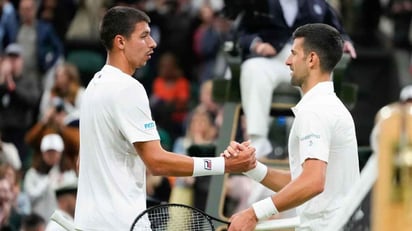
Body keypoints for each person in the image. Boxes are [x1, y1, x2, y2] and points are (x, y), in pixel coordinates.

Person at [74, 6, 256, 231]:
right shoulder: (128, 88)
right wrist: (224, 164)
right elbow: (157, 162)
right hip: (122, 225)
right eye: (144, 36)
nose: (153, 43)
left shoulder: (93, 86)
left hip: (86, 223)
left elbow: (81, 163)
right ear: (120, 42)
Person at [224, 23, 360, 231]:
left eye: (294, 54)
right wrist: (251, 168)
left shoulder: (315, 111)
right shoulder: (326, 106)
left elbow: (313, 182)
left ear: (312, 59)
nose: (287, 61)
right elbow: (300, 181)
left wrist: (254, 213)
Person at [230, 0, 357, 158]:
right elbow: (240, 34)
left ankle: (312, 139)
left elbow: (337, 31)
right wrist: (257, 45)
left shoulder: (317, 4)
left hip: (306, 63)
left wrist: (344, 43)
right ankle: (258, 142)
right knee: (252, 69)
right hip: (271, 60)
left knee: (319, 71)